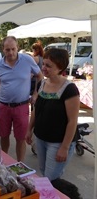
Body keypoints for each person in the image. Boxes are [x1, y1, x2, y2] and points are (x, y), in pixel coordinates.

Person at [26, 48, 79, 181]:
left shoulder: (69, 89)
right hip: (41, 138)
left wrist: (64, 147)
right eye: (44, 64)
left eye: (48, 66)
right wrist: (29, 129)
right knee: (44, 173)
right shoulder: (42, 83)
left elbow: (72, 121)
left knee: (51, 179)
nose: (43, 68)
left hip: (58, 142)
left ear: (60, 67)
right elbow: (36, 110)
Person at [0, 36, 43, 161]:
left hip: (21, 106)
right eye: (7, 50)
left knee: (20, 138)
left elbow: (40, 76)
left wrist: (35, 94)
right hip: (4, 106)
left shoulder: (27, 60)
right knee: (4, 135)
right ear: (3, 50)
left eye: (13, 49)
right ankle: (4, 161)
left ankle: (20, 165)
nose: (11, 53)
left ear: (17, 48)